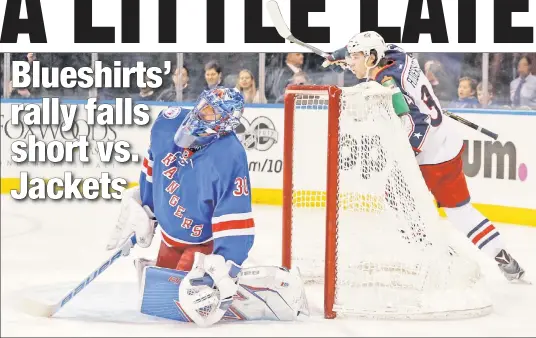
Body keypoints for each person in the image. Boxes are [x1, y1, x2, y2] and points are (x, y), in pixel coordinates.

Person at [322, 31, 527, 283]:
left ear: (372, 57)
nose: (351, 62)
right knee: (460, 211)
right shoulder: (395, 52)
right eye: (350, 56)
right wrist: (338, 55)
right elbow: (376, 57)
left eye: (355, 57)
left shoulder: (388, 84)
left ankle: (439, 255)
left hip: (427, 155)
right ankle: (501, 255)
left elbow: (416, 123)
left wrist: (405, 160)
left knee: (397, 204)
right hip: (448, 144)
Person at [105, 87, 307, 326]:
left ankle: (263, 292)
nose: (202, 113)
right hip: (170, 237)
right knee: (157, 305)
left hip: (201, 245)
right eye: (204, 105)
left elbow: (234, 213)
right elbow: (153, 166)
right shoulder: (166, 124)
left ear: (226, 123)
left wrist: (227, 261)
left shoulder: (229, 155)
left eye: (212, 113)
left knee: (183, 309)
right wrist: (145, 207)